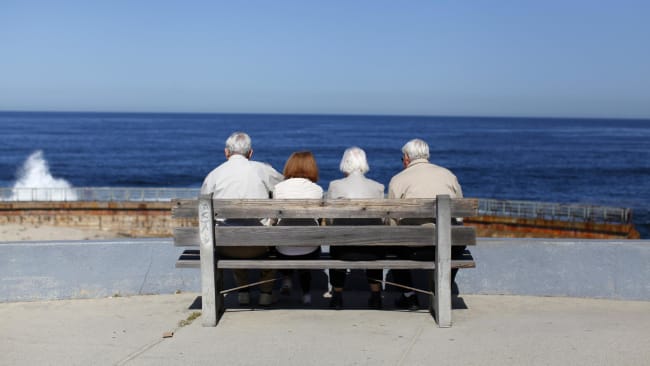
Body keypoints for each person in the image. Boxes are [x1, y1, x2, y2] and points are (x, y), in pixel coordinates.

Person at [200, 132, 284, 307]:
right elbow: (284, 188)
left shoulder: (214, 175)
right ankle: (266, 293)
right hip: (260, 246)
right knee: (267, 233)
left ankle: (243, 292)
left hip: (227, 247)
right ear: (250, 153)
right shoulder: (263, 169)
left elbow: (203, 209)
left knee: (231, 228)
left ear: (226, 152)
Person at [387, 138, 464, 310]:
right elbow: (459, 215)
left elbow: (391, 221)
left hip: (414, 248)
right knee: (456, 240)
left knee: (391, 243)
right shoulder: (448, 175)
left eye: (402, 158)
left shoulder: (398, 180)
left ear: (407, 157)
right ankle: (441, 288)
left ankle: (409, 296)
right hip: (448, 245)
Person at [326, 147, 385, 310]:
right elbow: (383, 220)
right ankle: (375, 296)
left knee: (336, 242)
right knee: (375, 240)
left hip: (343, 250)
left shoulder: (335, 186)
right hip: (372, 251)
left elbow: (330, 219)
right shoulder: (378, 187)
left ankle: (337, 297)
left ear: (345, 163)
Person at [273, 151, 324, 305]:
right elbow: (320, 219)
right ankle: (306, 294)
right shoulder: (318, 190)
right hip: (309, 249)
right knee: (306, 243)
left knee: (282, 240)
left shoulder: (278, 188)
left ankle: (287, 278)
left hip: (283, 250)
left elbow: (274, 219)